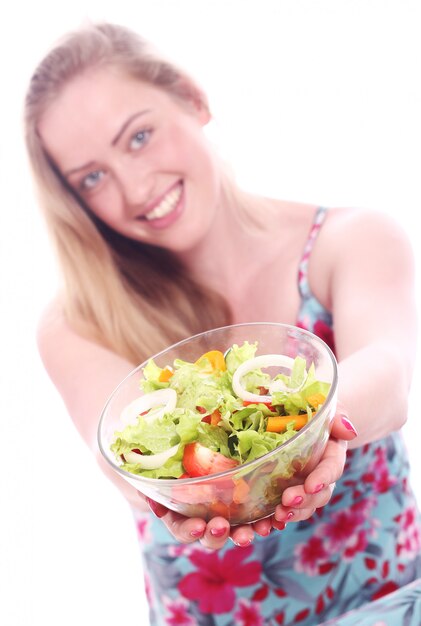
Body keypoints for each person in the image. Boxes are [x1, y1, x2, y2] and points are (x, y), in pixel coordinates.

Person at [25, 22, 421, 626]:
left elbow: (389, 378)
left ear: (192, 97)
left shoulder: (352, 238)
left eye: (139, 137)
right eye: (92, 179)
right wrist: (176, 496)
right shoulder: (78, 321)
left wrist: (313, 436)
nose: (133, 190)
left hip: (386, 605)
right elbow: (118, 458)